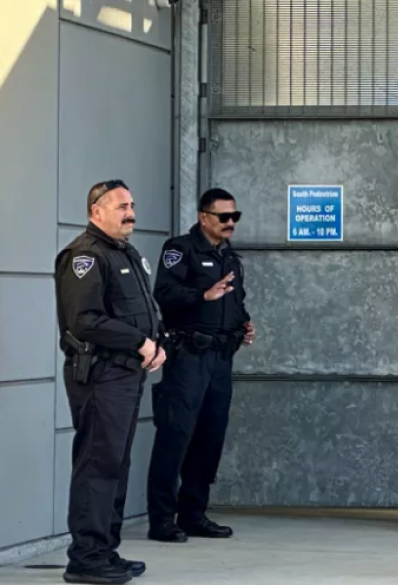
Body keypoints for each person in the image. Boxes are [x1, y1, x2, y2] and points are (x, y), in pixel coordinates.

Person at [55, 180, 164, 585]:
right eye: (121, 205)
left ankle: (104, 551)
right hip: (100, 376)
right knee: (98, 464)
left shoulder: (125, 253)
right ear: (95, 211)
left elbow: (142, 311)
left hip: (126, 374)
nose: (130, 212)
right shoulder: (85, 256)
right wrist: (140, 342)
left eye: (132, 204)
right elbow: (84, 319)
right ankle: (85, 557)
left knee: (115, 464)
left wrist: (157, 345)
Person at [146, 188, 255, 543]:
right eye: (223, 216)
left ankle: (194, 514)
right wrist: (202, 295)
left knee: (210, 438)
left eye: (234, 217)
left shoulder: (230, 258)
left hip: (221, 359)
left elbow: (234, 302)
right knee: (175, 437)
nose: (230, 223)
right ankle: (162, 519)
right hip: (188, 357)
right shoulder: (180, 250)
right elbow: (164, 294)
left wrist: (244, 325)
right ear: (203, 217)